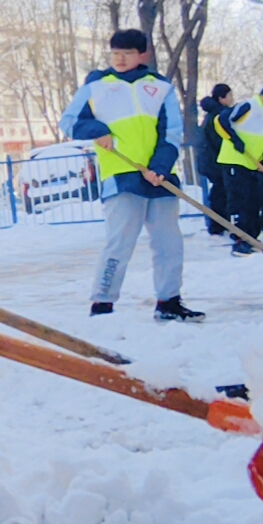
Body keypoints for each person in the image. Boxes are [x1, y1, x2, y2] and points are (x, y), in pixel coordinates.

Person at [59, 29, 204, 322]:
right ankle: (102, 303)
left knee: (168, 243)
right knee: (119, 243)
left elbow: (171, 132)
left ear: (142, 55)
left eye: (127, 53)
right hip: (121, 175)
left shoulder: (161, 87)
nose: (120, 59)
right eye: (115, 53)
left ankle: (169, 301)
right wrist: (98, 131)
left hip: (159, 177)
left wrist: (160, 167)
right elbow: (70, 122)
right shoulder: (96, 86)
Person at [216, 81, 263, 255]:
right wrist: (234, 140)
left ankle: (252, 237)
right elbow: (221, 120)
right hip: (234, 160)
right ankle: (240, 239)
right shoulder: (249, 106)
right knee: (241, 201)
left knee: (254, 201)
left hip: (251, 164)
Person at [196, 85, 235, 235]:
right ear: (221, 98)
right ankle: (218, 224)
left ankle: (219, 223)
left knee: (220, 191)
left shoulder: (212, 114)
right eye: (229, 96)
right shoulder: (219, 115)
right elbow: (219, 139)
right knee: (221, 191)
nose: (231, 99)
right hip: (216, 160)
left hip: (210, 159)